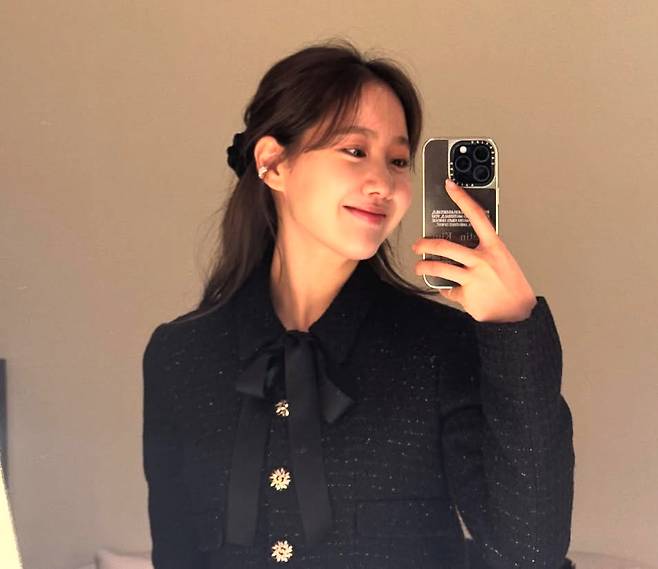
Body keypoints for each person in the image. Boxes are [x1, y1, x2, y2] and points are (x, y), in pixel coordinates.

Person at [142, 38, 575, 569]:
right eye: (355, 151)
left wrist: (513, 328)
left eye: (398, 160)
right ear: (273, 162)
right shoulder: (180, 355)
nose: (383, 183)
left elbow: (530, 551)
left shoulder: (438, 347)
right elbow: (177, 554)